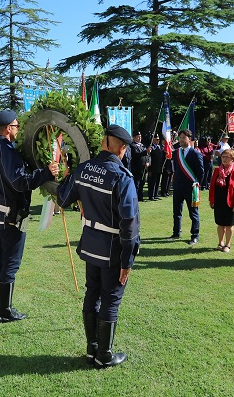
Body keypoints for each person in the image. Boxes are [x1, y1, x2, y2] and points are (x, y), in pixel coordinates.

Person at [56, 124, 140, 369]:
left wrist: (67, 176)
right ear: (122, 149)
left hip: (90, 244)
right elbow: (129, 224)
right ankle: (104, 354)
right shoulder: (122, 177)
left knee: (92, 293)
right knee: (111, 299)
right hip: (112, 249)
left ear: (104, 143)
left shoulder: (84, 169)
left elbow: (63, 198)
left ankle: (92, 349)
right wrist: (127, 261)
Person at [0, 110, 59, 322]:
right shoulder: (6, 150)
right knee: (10, 264)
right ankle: (5, 311)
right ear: (7, 129)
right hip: (10, 217)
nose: (18, 129)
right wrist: (46, 173)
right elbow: (19, 182)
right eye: (16, 126)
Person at [167, 129, 204, 245]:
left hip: (190, 188)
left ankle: (195, 236)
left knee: (193, 213)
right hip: (178, 187)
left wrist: (197, 184)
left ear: (189, 139)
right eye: (180, 137)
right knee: (176, 212)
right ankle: (176, 233)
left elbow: (201, 172)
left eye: (184, 137)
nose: (181, 140)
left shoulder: (195, 153)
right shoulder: (176, 153)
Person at [209, 149, 234, 253]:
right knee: (220, 223)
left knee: (229, 224)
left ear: (232, 159)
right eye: (223, 156)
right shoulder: (217, 170)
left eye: (226, 157)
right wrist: (211, 200)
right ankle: (220, 243)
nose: (224, 159)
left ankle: (227, 244)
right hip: (218, 201)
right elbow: (212, 186)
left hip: (231, 202)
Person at [129, 131, 148, 201]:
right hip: (136, 168)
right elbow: (135, 154)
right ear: (134, 138)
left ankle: (140, 197)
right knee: (136, 183)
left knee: (142, 183)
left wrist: (148, 162)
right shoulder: (132, 145)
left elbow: (147, 156)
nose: (140, 138)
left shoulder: (143, 146)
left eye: (140, 137)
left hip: (143, 168)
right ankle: (135, 197)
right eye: (138, 137)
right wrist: (145, 152)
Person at [147, 133, 165, 200]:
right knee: (152, 182)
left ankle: (155, 194)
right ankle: (151, 195)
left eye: (158, 139)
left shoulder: (158, 147)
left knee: (157, 182)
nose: (158, 141)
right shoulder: (151, 148)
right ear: (153, 140)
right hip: (153, 168)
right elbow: (149, 159)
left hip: (158, 168)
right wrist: (149, 170)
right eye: (156, 139)